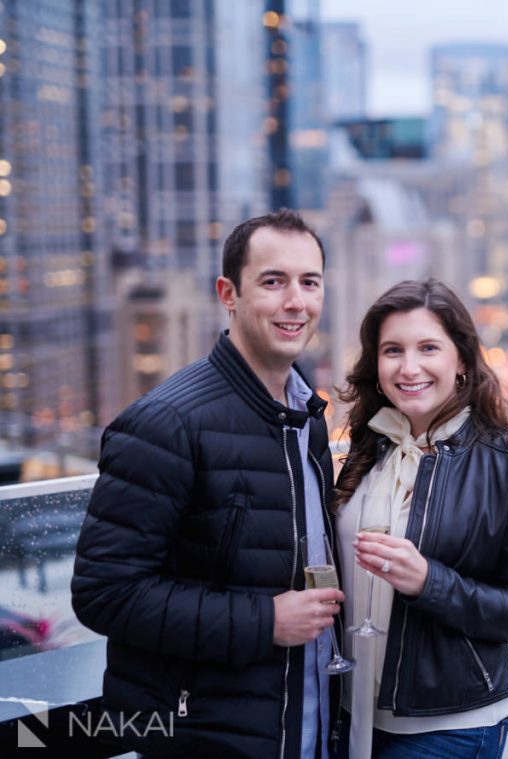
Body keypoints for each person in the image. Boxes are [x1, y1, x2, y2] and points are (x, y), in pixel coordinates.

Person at [72, 209, 345, 758]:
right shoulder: (165, 424)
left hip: (301, 728)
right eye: (273, 282)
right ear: (229, 293)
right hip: (202, 735)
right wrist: (264, 620)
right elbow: (104, 594)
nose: (296, 302)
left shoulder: (305, 411)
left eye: (309, 282)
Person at [334, 278, 508, 758]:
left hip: (448, 727)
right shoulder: (369, 444)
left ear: (461, 360)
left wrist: (427, 582)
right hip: (346, 711)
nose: (409, 367)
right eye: (392, 350)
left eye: (428, 348)